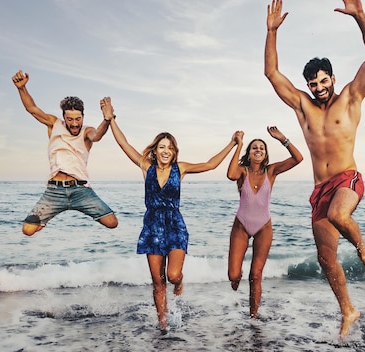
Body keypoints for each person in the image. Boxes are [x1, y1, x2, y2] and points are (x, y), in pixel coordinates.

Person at [263, 0, 365, 338]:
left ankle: (364, 252)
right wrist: (271, 33)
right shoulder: (303, 107)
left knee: (339, 215)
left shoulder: (350, 98)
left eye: (321, 81)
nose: (317, 88)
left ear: (332, 78)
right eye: (312, 84)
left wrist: (360, 16)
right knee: (326, 258)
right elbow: (272, 74)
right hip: (321, 189)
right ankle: (349, 310)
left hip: (348, 179)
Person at [100, 96, 241, 330]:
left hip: (175, 225)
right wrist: (111, 119)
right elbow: (124, 144)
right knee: (157, 282)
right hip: (152, 226)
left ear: (174, 151)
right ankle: (163, 325)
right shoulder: (146, 166)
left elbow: (210, 164)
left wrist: (233, 143)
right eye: (162, 147)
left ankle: (179, 282)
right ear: (155, 150)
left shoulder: (180, 168)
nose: (166, 151)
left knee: (173, 275)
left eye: (170, 147)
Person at [12, 70, 118, 236]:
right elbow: (32, 109)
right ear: (64, 117)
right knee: (28, 230)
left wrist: (107, 119)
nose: (74, 123)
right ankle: (49, 214)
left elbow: (97, 136)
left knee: (112, 222)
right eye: (70, 119)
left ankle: (76, 207)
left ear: (83, 116)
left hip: (81, 191)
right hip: (54, 191)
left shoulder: (86, 131)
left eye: (78, 119)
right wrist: (22, 88)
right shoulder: (54, 124)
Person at [227, 126, 303, 318]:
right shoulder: (242, 172)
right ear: (249, 153)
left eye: (261, 147)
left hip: (263, 227)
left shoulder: (271, 171)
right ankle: (237, 278)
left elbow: (298, 158)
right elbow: (230, 174)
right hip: (241, 226)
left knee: (256, 275)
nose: (258, 149)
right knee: (233, 275)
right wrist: (239, 144)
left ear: (266, 153)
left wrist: (282, 138)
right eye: (254, 148)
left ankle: (253, 317)